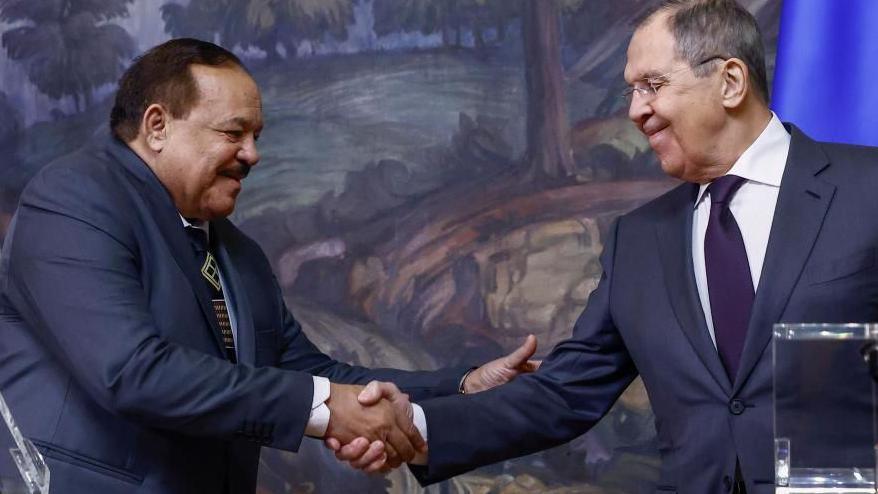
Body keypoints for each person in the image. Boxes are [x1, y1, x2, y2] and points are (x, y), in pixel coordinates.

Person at [329, 1, 878, 492]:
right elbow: (565, 394)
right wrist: (418, 428)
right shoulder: (638, 241)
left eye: (652, 85)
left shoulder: (867, 190)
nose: (635, 111)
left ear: (730, 81)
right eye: (631, 91)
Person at [0, 38, 538, 493]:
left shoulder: (237, 251)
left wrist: (462, 387)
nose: (253, 154)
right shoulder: (73, 199)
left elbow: (308, 372)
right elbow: (132, 372)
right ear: (157, 126)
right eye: (233, 133)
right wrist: (328, 408)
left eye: (256, 136)